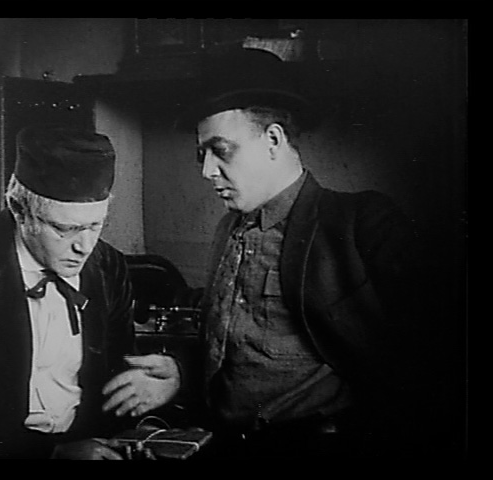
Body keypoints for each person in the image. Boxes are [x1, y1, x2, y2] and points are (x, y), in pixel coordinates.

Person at [179, 47, 434, 459]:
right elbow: (232, 351)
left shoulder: (361, 224)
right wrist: (181, 373)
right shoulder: (228, 228)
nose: (207, 170)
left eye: (220, 150)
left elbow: (425, 362)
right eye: (201, 154)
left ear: (274, 140)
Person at [0, 125, 180, 459]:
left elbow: (117, 381)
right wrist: (53, 453)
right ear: (19, 210)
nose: (84, 247)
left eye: (95, 226)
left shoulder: (108, 266)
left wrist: (158, 390)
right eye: (65, 229)